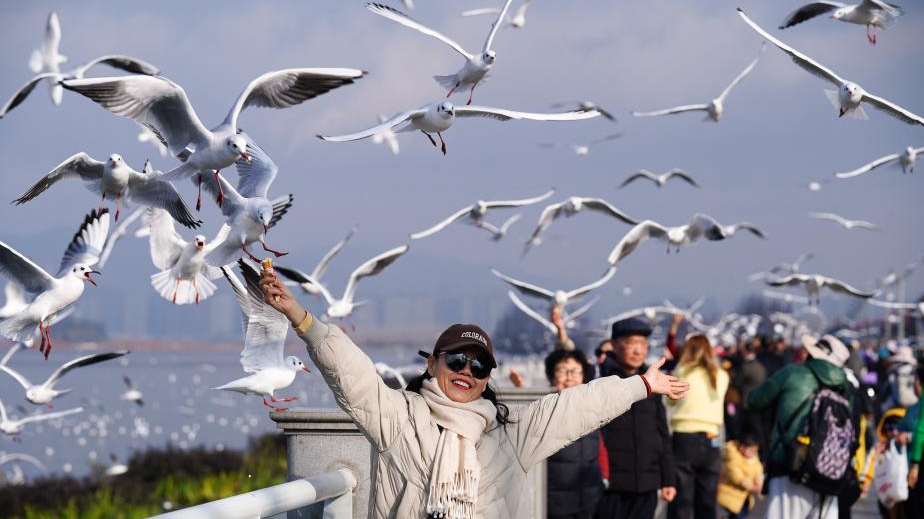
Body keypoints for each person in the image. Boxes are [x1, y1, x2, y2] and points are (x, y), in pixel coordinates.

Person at [258, 269, 689, 519]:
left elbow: (575, 407)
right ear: (433, 364)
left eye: (479, 366)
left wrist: (640, 385)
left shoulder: (510, 435)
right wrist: (302, 319)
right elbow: (352, 374)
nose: (467, 371)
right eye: (458, 361)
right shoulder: (398, 416)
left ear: (486, 377)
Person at [748, 334, 856, 519]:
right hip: (829, 473)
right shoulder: (847, 388)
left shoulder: (793, 373)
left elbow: (754, 400)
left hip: (789, 467)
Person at [596, 318, 678, 519]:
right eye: (631, 343)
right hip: (610, 486)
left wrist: (668, 479)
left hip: (647, 484)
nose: (638, 351)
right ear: (614, 346)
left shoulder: (654, 385)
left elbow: (662, 435)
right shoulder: (601, 383)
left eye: (643, 344)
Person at [667, 334, 730, 519]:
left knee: (682, 500)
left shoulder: (682, 372)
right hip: (712, 437)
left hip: (684, 436)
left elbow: (670, 401)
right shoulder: (721, 376)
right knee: (707, 499)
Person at [544, 345, 605, 519]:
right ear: (552, 376)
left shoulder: (594, 410)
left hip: (590, 501)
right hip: (555, 503)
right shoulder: (542, 411)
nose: (569, 376)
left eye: (576, 371)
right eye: (562, 370)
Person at [717, 436, 764, 519]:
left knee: (744, 512)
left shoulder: (753, 460)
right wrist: (751, 486)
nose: (753, 453)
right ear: (742, 448)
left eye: (755, 451)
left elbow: (758, 469)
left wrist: (759, 482)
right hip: (729, 493)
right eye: (751, 451)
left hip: (743, 497)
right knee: (738, 515)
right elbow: (736, 476)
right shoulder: (733, 457)